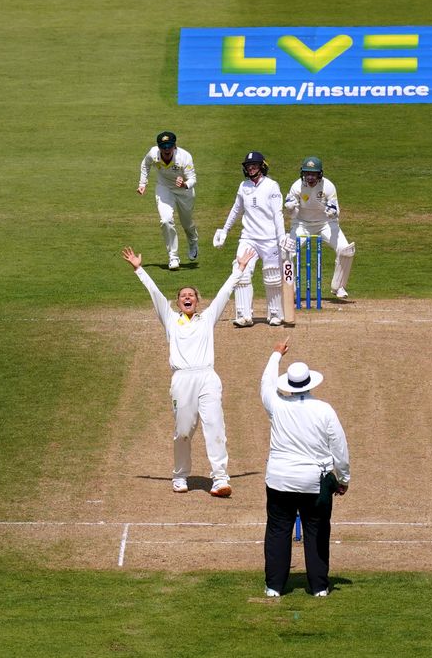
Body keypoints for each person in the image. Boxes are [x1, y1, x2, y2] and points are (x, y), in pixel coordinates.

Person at [121, 245, 256, 497]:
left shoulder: (207, 319)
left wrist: (239, 268)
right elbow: (155, 293)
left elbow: (225, 293)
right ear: (178, 301)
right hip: (182, 379)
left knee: (215, 426)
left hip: (207, 377)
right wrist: (139, 269)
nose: (187, 297)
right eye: (183, 295)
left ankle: (220, 479)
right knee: (183, 430)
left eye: (191, 295)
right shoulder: (170, 319)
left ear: (197, 300)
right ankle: (180, 475)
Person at [260, 338, 350, 598]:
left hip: (279, 480)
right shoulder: (324, 410)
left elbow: (265, 384)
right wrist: (343, 478)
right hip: (314, 482)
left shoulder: (277, 406)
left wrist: (276, 354)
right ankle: (319, 587)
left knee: (278, 531)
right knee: (316, 531)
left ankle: (274, 587)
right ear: (310, 383)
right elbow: (339, 447)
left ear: (289, 385)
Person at [213, 151, 291, 327]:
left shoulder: (272, 186)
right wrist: (224, 230)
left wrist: (281, 237)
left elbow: (278, 213)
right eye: (248, 166)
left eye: (254, 165)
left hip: (270, 239)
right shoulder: (243, 186)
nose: (251, 168)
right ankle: (244, 315)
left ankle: (275, 314)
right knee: (240, 273)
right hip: (249, 238)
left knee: (272, 275)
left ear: (262, 166)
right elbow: (236, 209)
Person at [283, 156, 355, 299]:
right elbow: (293, 215)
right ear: (303, 173)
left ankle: (338, 286)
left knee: (346, 250)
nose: (310, 177)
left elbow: (335, 210)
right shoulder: (296, 186)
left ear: (319, 174)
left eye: (313, 174)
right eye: (307, 173)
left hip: (326, 224)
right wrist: (291, 209)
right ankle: (291, 289)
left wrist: (332, 213)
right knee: (285, 252)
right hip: (302, 224)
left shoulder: (328, 186)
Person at [137, 131, 199, 270]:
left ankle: (193, 241)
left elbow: (193, 178)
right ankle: (173, 257)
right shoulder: (153, 153)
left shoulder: (184, 157)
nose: (166, 149)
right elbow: (145, 164)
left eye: (169, 146)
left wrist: (184, 184)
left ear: (174, 146)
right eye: (163, 146)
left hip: (184, 191)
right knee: (165, 220)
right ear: (159, 147)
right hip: (164, 188)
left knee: (187, 223)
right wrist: (142, 183)